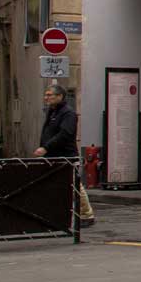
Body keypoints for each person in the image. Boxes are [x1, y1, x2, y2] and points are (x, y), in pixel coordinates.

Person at [35, 82, 95, 227]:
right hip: (52, 155)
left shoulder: (68, 113)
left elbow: (65, 134)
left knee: (74, 184)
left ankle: (87, 215)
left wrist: (46, 147)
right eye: (46, 95)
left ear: (60, 96)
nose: (46, 98)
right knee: (54, 184)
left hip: (66, 155)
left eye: (49, 95)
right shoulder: (52, 111)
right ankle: (56, 214)